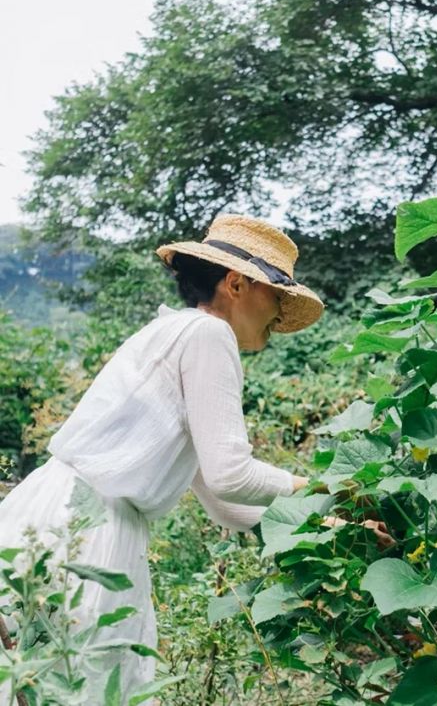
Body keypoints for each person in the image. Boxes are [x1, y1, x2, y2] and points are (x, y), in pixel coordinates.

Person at [0, 214, 329, 703]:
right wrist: (322, 490)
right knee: (90, 689)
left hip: (57, 516)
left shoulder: (178, 334)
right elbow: (233, 474)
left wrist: (327, 526)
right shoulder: (208, 336)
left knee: (41, 684)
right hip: (91, 534)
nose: (281, 307)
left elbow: (223, 502)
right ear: (235, 283)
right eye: (276, 290)